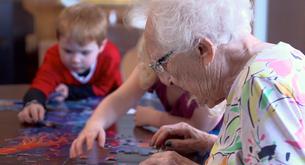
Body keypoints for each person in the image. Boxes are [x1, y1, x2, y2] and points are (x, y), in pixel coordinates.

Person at [129, 0, 305, 164]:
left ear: (203, 50)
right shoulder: (283, 57)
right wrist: (213, 143)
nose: (165, 80)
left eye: (162, 63)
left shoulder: (261, 85)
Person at [69, 36, 225, 158]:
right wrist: (95, 123)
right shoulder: (154, 65)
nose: (165, 78)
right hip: (178, 147)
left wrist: (154, 118)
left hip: (218, 147)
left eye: (167, 65)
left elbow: (201, 127)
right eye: (158, 65)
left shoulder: (206, 75)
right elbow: (118, 100)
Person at [18, 3, 122, 124]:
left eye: (85, 52)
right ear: (58, 42)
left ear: (101, 46)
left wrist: (71, 91)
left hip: (108, 116)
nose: (75, 59)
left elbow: (104, 88)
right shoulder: (53, 56)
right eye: (67, 50)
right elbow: (41, 84)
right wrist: (33, 103)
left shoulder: (110, 56)